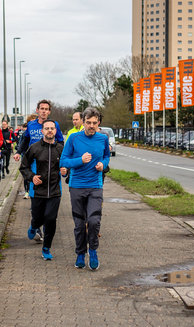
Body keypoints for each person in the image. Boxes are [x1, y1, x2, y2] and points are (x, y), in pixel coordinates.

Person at [59, 107, 110, 270]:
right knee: (80, 224)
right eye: (88, 122)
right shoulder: (73, 138)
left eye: (95, 123)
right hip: (77, 186)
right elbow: (63, 161)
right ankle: (80, 253)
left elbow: (107, 156)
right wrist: (80, 160)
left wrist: (104, 164)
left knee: (94, 222)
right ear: (83, 122)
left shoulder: (103, 139)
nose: (91, 126)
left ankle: (93, 251)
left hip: (95, 186)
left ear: (99, 123)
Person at [20, 120, 64, 260]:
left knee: (51, 219)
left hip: (55, 191)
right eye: (47, 128)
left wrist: (65, 171)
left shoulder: (61, 149)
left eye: (52, 128)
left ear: (55, 131)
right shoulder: (34, 148)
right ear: (42, 131)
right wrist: (32, 177)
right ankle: (33, 226)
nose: (50, 130)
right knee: (38, 218)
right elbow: (24, 166)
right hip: (38, 191)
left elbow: (67, 166)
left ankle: (46, 248)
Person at [14, 101, 64, 200]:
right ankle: (35, 202)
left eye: (46, 109)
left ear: (49, 111)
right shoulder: (31, 125)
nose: (44, 111)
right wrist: (18, 152)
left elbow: (61, 141)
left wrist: (60, 155)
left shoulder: (54, 125)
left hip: (50, 157)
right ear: (37, 110)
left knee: (51, 180)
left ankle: (52, 200)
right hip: (35, 159)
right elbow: (25, 140)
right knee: (35, 181)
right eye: (42, 109)